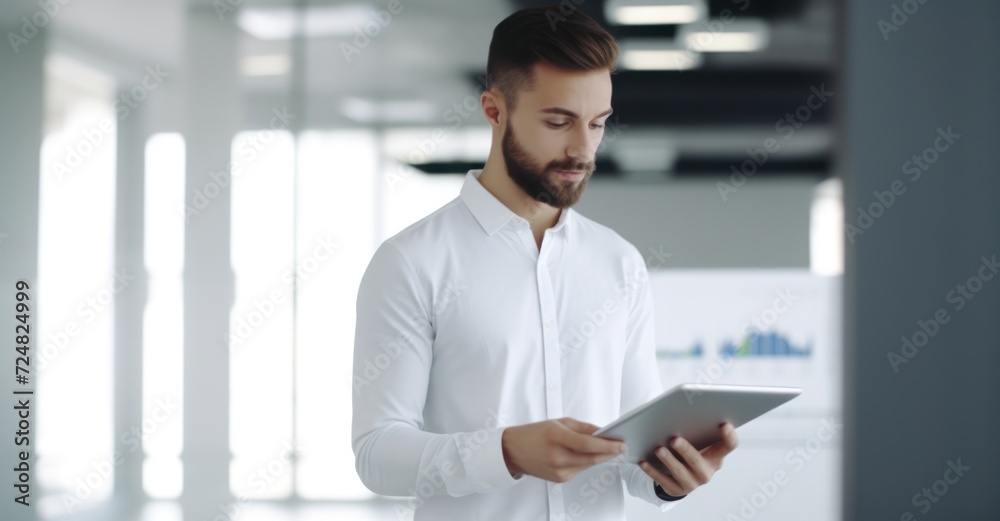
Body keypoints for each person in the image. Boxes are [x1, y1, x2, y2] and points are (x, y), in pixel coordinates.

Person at [352, 6, 739, 519]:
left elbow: (630, 457)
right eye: (558, 122)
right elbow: (377, 455)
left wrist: (672, 479)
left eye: (598, 124)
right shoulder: (412, 261)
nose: (583, 150)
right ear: (494, 110)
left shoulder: (619, 262)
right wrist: (507, 451)